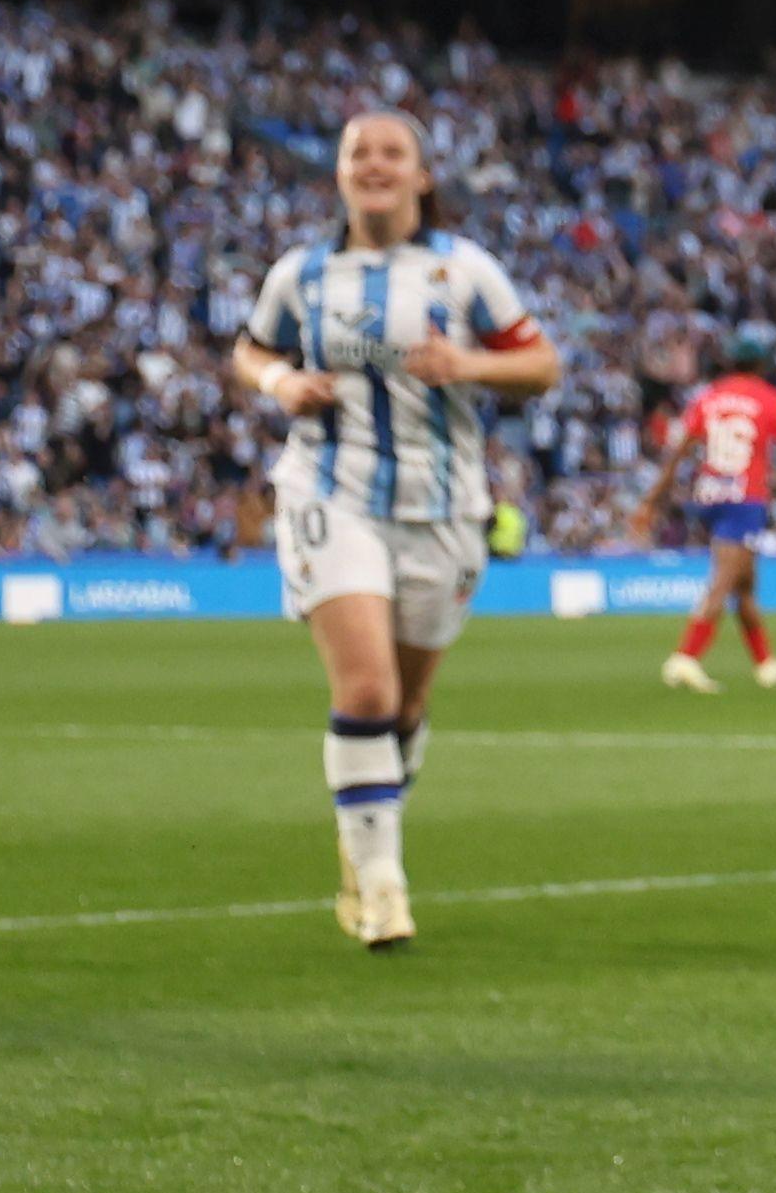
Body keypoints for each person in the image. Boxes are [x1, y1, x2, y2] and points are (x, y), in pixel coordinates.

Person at [225, 107, 556, 953]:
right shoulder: (302, 274)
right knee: (366, 691)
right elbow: (251, 350)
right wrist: (280, 387)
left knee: (406, 705)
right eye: (357, 152)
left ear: (422, 176)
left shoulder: (465, 270)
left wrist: (470, 365)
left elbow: (541, 364)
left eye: (391, 152)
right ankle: (382, 891)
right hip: (329, 492)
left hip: (444, 505)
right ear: (338, 174)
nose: (373, 164)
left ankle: (364, 834)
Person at [658, 333, 776, 693]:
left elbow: (680, 447)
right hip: (746, 497)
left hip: (709, 493)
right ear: (761, 366)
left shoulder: (706, 398)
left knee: (745, 582)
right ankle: (685, 657)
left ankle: (765, 663)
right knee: (724, 580)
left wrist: (655, 495)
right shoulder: (772, 400)